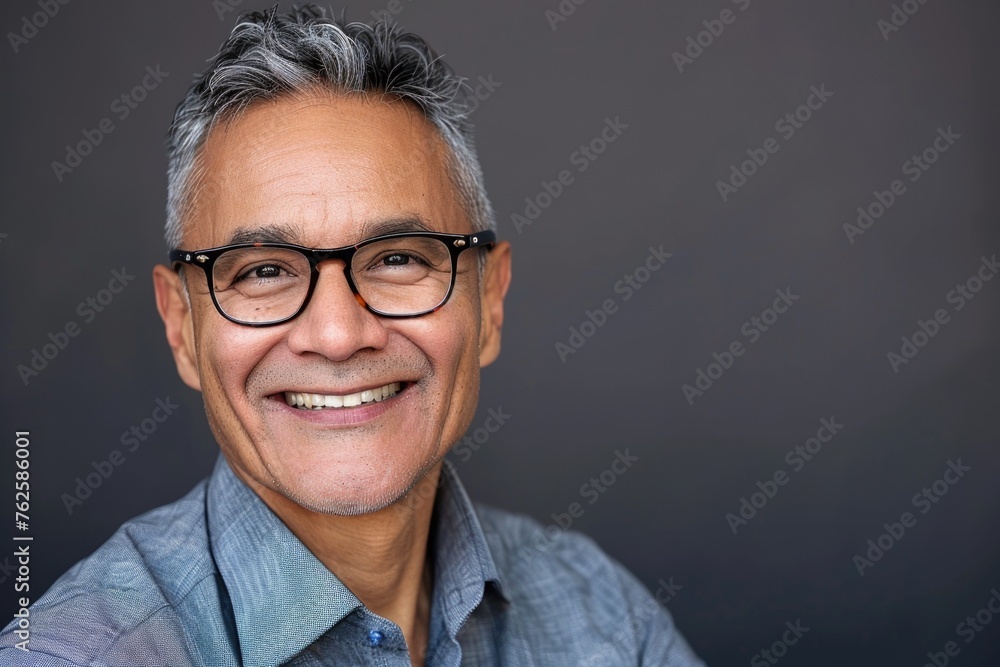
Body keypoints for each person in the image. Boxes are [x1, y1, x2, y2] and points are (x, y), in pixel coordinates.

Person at [0, 7, 703, 665]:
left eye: (398, 258)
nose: (338, 335)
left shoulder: (607, 619)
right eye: (265, 270)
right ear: (182, 327)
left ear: (489, 300)